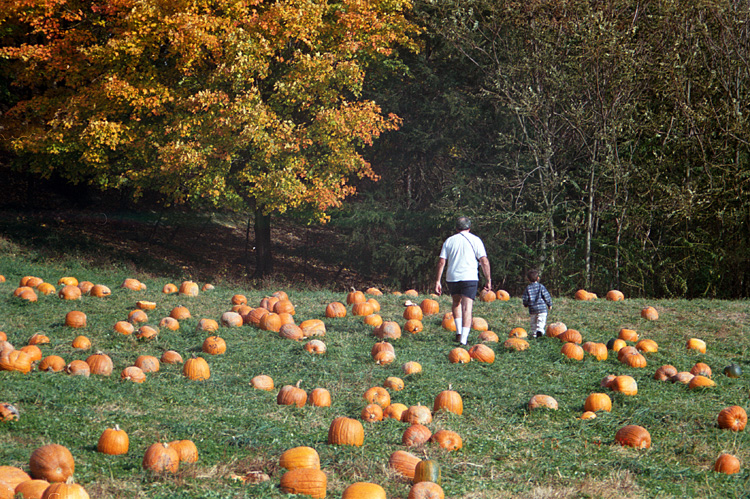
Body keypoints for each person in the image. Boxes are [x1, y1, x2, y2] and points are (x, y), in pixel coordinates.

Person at [434, 216, 492, 345]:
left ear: (456, 228)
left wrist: (438, 280)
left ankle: (459, 332)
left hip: (452, 277)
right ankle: (464, 340)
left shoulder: (449, 241)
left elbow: (441, 262)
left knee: (456, 303)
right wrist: (488, 279)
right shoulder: (476, 240)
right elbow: (484, 261)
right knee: (467, 308)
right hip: (470, 277)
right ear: (469, 228)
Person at [522, 269, 552, 338]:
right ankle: (540, 331)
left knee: (533, 322)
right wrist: (549, 304)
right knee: (541, 321)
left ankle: (534, 334)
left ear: (528, 279)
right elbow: (546, 296)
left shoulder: (528, 288)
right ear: (538, 278)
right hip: (542, 308)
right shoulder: (541, 287)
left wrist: (525, 304)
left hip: (532, 309)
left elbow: (525, 298)